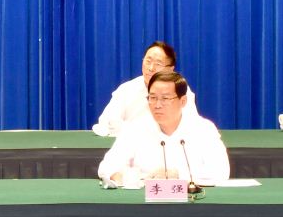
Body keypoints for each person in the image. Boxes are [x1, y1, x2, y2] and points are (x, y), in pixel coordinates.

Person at [97, 70, 230, 186]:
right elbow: (106, 167)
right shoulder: (135, 128)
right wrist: (129, 177)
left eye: (165, 98)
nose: (157, 105)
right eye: (152, 98)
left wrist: (178, 175)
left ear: (183, 101)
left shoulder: (203, 129)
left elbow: (221, 171)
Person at [93, 41, 201, 136]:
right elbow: (107, 121)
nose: (151, 68)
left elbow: (191, 124)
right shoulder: (127, 89)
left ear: (170, 69)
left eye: (158, 64)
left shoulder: (181, 89)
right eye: (148, 61)